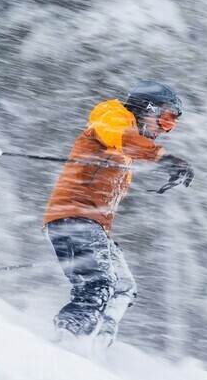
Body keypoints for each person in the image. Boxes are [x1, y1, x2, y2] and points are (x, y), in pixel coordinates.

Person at [42, 81, 194, 353]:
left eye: (172, 124)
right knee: (98, 284)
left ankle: (97, 342)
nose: (166, 129)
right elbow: (121, 137)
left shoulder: (127, 147)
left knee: (124, 287)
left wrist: (104, 239)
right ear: (147, 108)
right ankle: (66, 341)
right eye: (166, 119)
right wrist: (164, 158)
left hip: (91, 226)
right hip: (74, 219)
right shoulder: (112, 117)